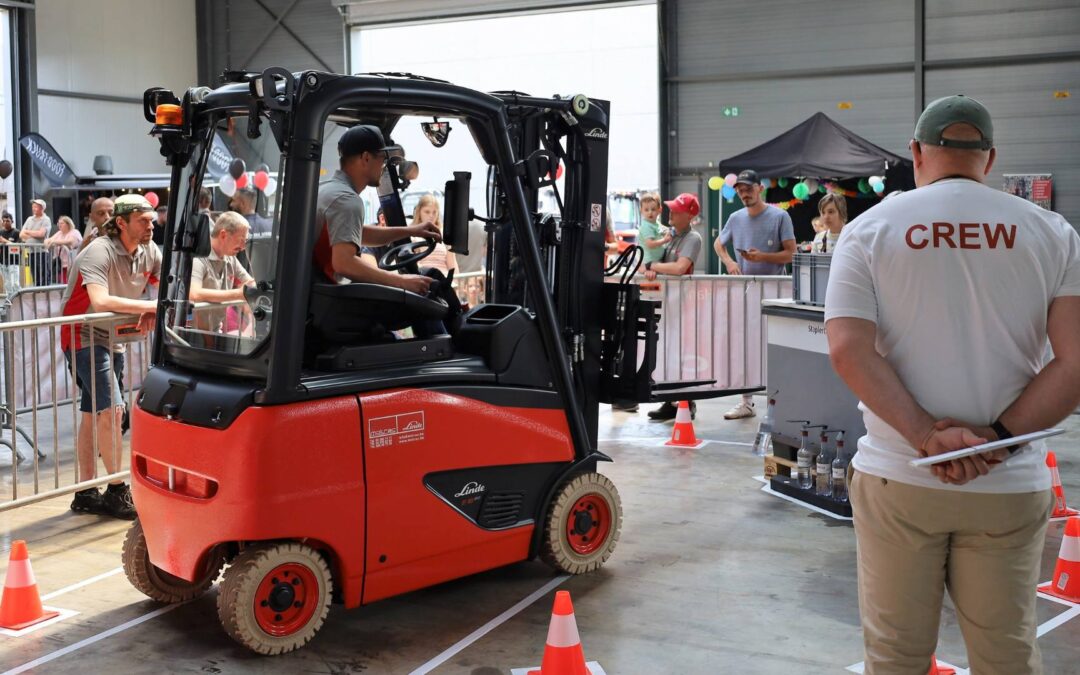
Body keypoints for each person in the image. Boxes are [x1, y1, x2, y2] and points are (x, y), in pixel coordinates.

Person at [825, 94, 1080, 674]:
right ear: (990, 159)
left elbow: (847, 349)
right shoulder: (1052, 233)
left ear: (916, 152)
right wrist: (995, 441)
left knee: (896, 654)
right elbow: (1075, 362)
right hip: (1008, 482)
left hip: (900, 474)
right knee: (1007, 652)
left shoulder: (869, 230)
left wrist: (924, 436)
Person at [60, 194, 161, 520]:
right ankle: (117, 489)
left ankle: (86, 490)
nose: (151, 225)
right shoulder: (99, 251)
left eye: (151, 219)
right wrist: (147, 307)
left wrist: (151, 308)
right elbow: (100, 300)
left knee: (94, 414)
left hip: (114, 337)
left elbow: (169, 289)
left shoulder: (149, 250)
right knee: (112, 410)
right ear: (121, 223)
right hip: (83, 334)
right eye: (143, 220)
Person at [312, 124, 440, 295]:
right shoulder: (347, 200)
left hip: (314, 292)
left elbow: (356, 233)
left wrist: (412, 230)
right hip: (322, 299)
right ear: (366, 158)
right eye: (382, 157)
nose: (384, 165)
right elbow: (344, 263)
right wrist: (402, 281)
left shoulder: (329, 189)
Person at [713, 169, 796, 420]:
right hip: (746, 289)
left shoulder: (780, 216)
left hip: (775, 291)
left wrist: (762, 257)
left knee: (777, 345)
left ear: (760, 188)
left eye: (748, 188)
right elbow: (719, 243)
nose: (743, 193)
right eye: (739, 189)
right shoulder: (736, 218)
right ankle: (747, 401)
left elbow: (791, 253)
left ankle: (782, 400)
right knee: (745, 343)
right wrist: (729, 262)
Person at [644, 193, 704, 422]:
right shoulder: (668, 235)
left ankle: (686, 401)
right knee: (668, 352)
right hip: (667, 302)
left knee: (681, 353)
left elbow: (680, 268)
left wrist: (653, 266)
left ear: (689, 215)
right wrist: (651, 266)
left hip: (682, 305)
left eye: (677, 210)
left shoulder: (693, 238)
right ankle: (671, 400)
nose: (671, 212)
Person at [190, 211, 255, 334]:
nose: (243, 247)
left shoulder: (230, 257)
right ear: (223, 235)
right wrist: (238, 294)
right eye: (241, 240)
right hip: (191, 334)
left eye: (245, 241)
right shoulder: (198, 257)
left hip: (215, 330)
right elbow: (194, 294)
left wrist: (251, 319)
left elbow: (249, 283)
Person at [411, 194, 456, 274]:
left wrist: (457, 282)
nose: (431, 216)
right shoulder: (412, 236)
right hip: (424, 280)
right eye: (427, 212)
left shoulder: (444, 234)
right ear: (419, 212)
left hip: (444, 280)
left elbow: (452, 265)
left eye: (434, 212)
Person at [21, 198, 53, 284]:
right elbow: (21, 234)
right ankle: (37, 291)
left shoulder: (46, 219)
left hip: (41, 251)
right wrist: (34, 233)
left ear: (42, 208)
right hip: (31, 251)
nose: (33, 208)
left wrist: (27, 232)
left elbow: (41, 234)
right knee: (34, 273)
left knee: (43, 274)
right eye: (33, 206)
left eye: (36, 207)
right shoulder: (29, 219)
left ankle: (45, 292)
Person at [44, 215, 83, 283]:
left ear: (68, 224)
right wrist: (47, 241)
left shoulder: (74, 232)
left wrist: (54, 242)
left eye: (62, 223)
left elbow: (70, 241)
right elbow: (49, 240)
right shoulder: (59, 233)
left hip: (72, 263)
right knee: (62, 282)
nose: (59, 225)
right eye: (58, 223)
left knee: (71, 282)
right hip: (60, 263)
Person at [637, 191, 669, 265]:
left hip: (655, 261)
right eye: (646, 210)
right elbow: (650, 244)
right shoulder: (646, 226)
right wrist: (664, 240)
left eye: (653, 209)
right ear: (641, 211)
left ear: (659, 210)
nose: (650, 213)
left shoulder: (654, 223)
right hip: (649, 263)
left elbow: (663, 229)